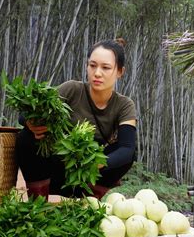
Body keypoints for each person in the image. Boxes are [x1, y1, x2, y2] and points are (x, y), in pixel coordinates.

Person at [15, 38, 136, 200]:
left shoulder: (124, 105)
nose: (97, 73)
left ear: (120, 72)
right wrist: (30, 123)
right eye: (92, 65)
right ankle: (37, 202)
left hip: (86, 174)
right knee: (26, 137)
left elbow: (127, 149)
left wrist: (98, 163)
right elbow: (25, 115)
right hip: (54, 170)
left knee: (123, 155)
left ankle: (89, 202)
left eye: (106, 67)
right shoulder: (72, 90)